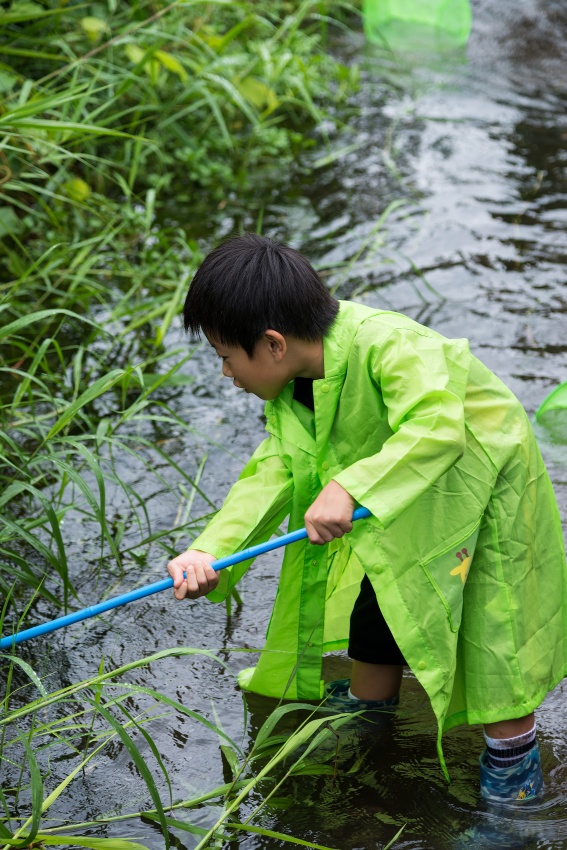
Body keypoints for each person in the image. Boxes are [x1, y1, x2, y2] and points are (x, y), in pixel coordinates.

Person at [167, 233, 567, 803]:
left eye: (227, 357)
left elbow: (436, 425)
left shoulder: (389, 344)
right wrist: (209, 550)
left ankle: (513, 769)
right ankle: (368, 713)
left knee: (492, 624)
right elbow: (273, 470)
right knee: (384, 591)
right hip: (402, 496)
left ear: (273, 344)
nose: (226, 373)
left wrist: (348, 483)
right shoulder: (292, 391)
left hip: (484, 490)